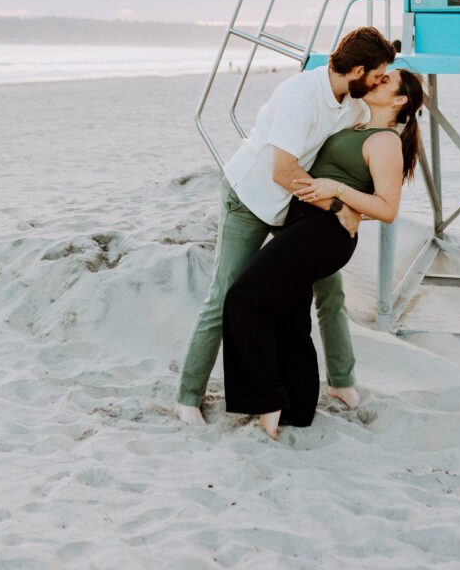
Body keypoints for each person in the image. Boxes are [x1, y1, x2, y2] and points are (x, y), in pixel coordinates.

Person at [173, 27, 396, 426]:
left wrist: (354, 207)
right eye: (378, 75)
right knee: (226, 293)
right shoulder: (301, 95)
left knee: (330, 290)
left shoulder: (354, 104)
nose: (381, 82)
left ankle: (342, 381)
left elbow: (353, 160)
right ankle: (188, 396)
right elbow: (282, 171)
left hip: (294, 205)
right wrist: (337, 205)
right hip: (250, 198)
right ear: (357, 69)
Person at [221, 67, 424, 439]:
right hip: (306, 223)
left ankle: (267, 399)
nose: (377, 81)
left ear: (399, 101)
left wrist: (338, 192)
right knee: (289, 315)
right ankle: (298, 409)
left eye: (386, 81)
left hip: (325, 232)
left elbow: (388, 208)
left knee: (244, 299)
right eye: (379, 75)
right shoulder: (360, 123)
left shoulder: (386, 141)